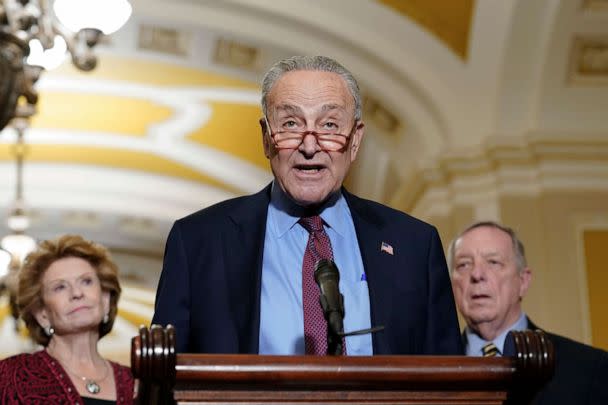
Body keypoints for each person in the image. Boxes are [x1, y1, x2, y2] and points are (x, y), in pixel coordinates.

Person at [152, 55, 462, 356]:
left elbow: (449, 382)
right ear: (265, 138)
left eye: (329, 125)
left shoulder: (414, 246)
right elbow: (162, 378)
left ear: (354, 141)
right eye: (290, 123)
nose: (310, 146)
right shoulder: (198, 242)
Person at [448, 221, 608, 404]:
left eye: (493, 262)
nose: (477, 274)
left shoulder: (588, 367)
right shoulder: (427, 368)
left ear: (523, 281)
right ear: (452, 285)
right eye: (463, 265)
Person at [0, 235, 134, 404]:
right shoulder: (8, 378)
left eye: (86, 281)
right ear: (42, 314)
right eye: (60, 287)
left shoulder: (137, 384)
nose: (77, 293)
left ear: (105, 299)